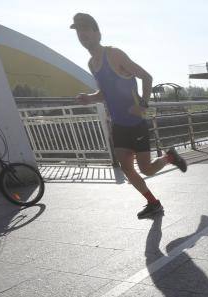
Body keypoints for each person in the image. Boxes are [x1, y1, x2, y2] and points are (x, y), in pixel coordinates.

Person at [71, 13, 187, 219]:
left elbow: (146, 77)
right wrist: (90, 98)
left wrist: (142, 104)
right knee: (126, 168)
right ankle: (153, 203)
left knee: (147, 170)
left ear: (97, 33)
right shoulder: (91, 63)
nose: (82, 34)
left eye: (86, 29)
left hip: (136, 123)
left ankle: (170, 157)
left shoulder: (114, 54)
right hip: (118, 125)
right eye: (78, 31)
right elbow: (105, 93)